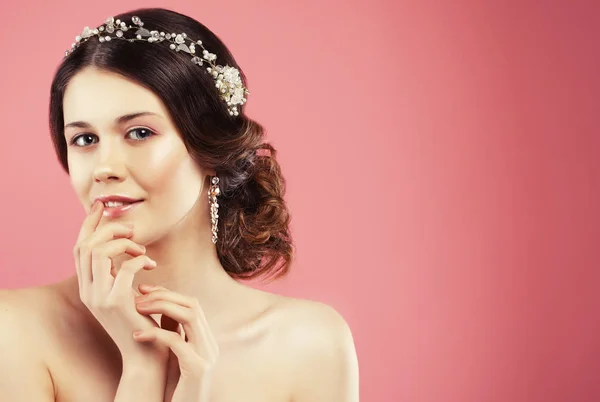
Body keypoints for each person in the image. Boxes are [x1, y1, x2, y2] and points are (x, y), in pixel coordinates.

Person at [0, 7, 359, 402]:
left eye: (139, 132)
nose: (104, 168)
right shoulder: (16, 330)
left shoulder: (309, 345)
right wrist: (142, 368)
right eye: (85, 140)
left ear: (209, 148)